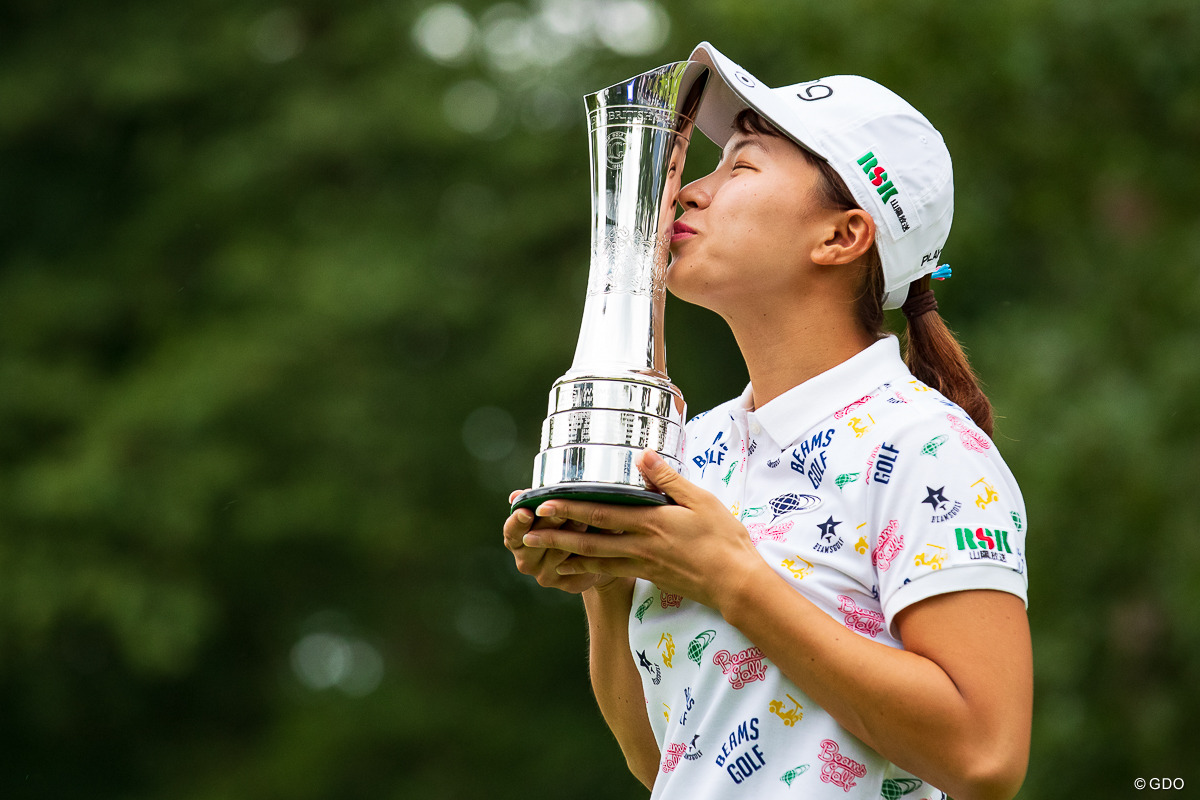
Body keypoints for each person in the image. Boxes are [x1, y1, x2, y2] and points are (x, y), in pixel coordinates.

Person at [503, 41, 1031, 800]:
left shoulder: (927, 446)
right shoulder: (692, 451)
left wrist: (726, 574)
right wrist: (605, 573)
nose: (688, 192)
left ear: (842, 236)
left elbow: (985, 757)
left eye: (740, 166)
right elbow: (663, 760)